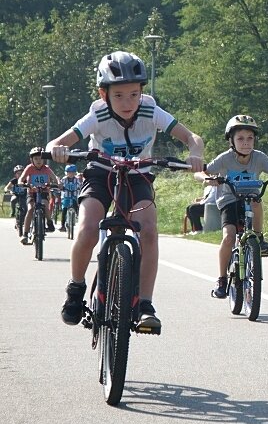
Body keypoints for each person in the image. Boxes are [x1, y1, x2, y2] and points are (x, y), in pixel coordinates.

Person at [48, 51, 204, 333]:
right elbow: (59, 141)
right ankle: (75, 288)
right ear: (104, 94)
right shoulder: (98, 113)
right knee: (87, 229)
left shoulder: (151, 111)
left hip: (138, 175)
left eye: (133, 94)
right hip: (101, 173)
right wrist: (57, 149)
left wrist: (195, 152)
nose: (127, 102)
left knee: (149, 231)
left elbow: (192, 137)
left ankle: (145, 305)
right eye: (118, 95)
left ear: (141, 92)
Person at [195, 114, 268, 299]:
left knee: (256, 201)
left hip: (250, 198)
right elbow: (200, 172)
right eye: (240, 138)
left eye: (250, 138)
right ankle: (222, 279)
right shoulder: (224, 159)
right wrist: (207, 179)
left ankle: (259, 238)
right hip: (229, 201)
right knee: (229, 237)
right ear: (231, 140)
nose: (246, 143)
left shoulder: (260, 158)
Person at [18, 147, 60, 244]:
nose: (38, 161)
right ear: (31, 160)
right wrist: (21, 182)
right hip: (32, 192)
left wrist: (58, 183)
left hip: (43, 191)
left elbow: (55, 178)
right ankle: (25, 234)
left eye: (40, 158)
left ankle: (49, 222)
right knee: (30, 209)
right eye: (36, 159)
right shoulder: (29, 168)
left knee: (45, 204)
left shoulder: (47, 169)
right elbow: (21, 178)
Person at [58, 164, 82, 232]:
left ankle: (80, 221)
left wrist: (79, 188)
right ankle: (62, 225)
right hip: (66, 196)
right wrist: (61, 187)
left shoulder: (77, 179)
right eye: (69, 172)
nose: (71, 174)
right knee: (64, 209)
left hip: (74, 196)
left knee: (76, 207)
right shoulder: (64, 179)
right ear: (66, 173)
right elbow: (60, 186)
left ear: (75, 173)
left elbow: (80, 185)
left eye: (72, 172)